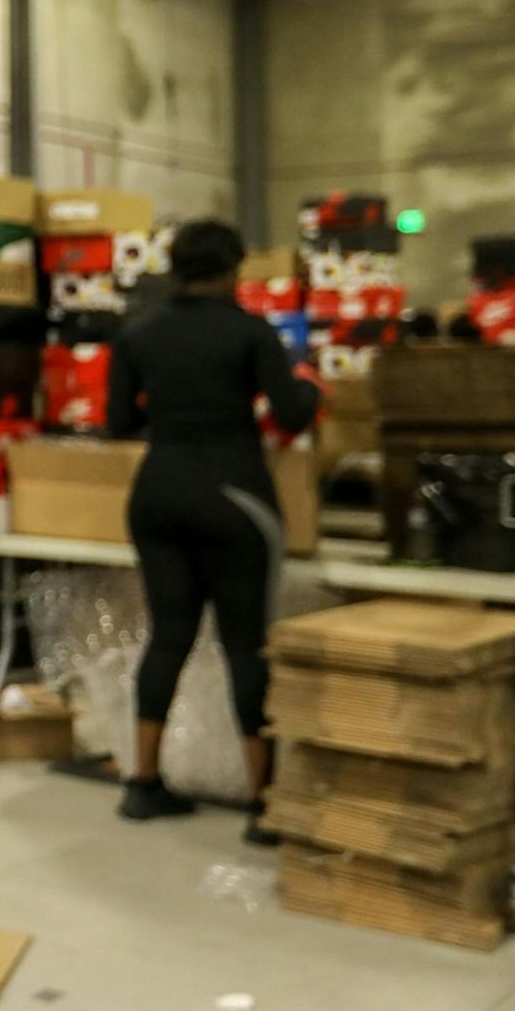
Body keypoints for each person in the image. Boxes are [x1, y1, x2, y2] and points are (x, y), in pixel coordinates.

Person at [106, 218, 321, 843]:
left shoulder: (138, 335)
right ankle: (264, 803)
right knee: (244, 644)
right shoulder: (251, 334)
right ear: (233, 269)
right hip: (233, 498)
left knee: (167, 636)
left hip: (157, 493)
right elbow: (291, 411)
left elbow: (119, 422)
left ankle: (142, 783)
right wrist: (306, 385)